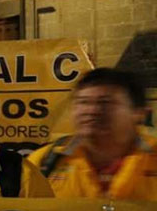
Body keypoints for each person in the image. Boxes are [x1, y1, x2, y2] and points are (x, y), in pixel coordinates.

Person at [29, 68, 157, 200]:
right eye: (83, 102)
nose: (91, 111)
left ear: (139, 113)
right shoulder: (43, 162)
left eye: (105, 102)